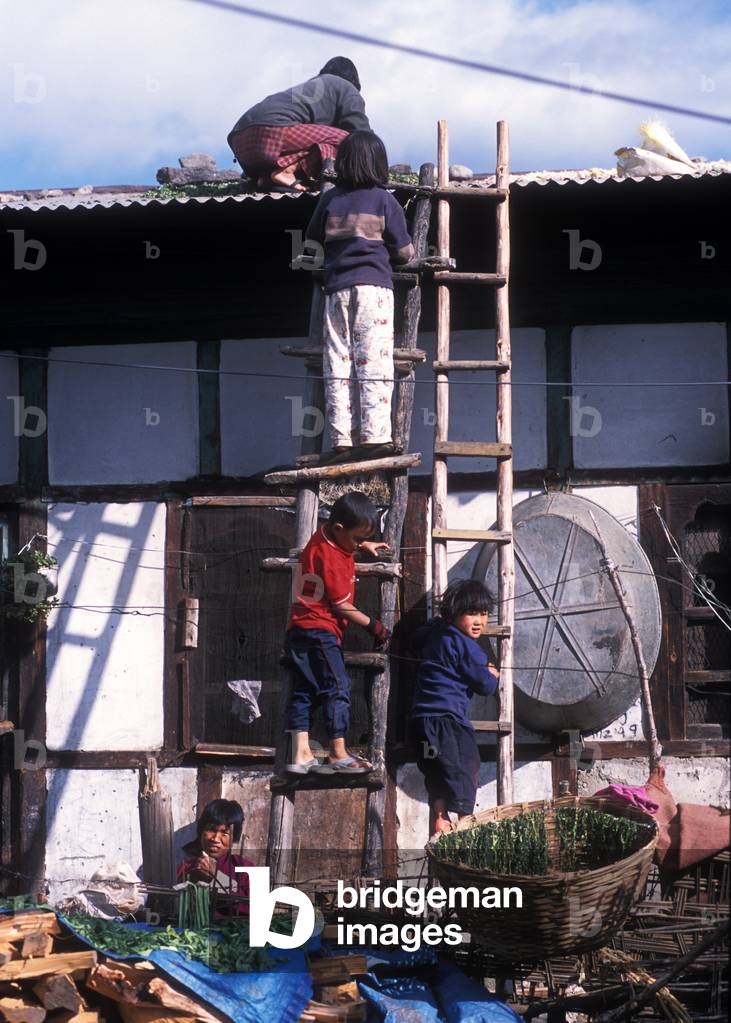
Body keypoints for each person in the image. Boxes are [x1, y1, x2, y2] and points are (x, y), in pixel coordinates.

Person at [305, 131, 414, 461]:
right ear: (378, 164)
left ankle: (340, 437)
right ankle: (374, 434)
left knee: (337, 362)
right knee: (373, 360)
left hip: (336, 290)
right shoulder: (384, 200)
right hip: (373, 290)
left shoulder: (330, 200)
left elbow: (313, 240)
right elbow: (405, 252)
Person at [286, 492, 391, 775]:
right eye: (357, 539)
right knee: (338, 686)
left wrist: (361, 543)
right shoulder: (332, 556)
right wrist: (375, 626)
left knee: (305, 690)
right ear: (340, 528)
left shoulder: (321, 537)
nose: (358, 545)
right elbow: (342, 606)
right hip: (319, 630)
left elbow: (344, 542)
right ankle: (337, 752)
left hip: (298, 629)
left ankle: (300, 753)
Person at [409, 580, 500, 837]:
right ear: (453, 613)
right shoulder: (466, 645)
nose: (479, 621)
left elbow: (415, 639)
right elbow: (484, 685)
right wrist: (493, 674)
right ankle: (464, 822)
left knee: (436, 768)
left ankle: (440, 816)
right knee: (465, 764)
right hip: (446, 722)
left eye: (484, 614)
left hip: (420, 724)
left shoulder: (434, 633)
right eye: (471, 613)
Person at [227, 57, 370, 191]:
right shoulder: (347, 88)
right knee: (349, 142)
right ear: (353, 81)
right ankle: (287, 171)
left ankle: (266, 178)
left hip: (241, 144)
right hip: (271, 132)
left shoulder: (312, 87)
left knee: (326, 145)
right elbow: (363, 138)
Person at [177, 799, 253, 916]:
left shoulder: (245, 869)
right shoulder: (185, 868)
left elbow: (256, 909)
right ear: (201, 831)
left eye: (225, 833)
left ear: (234, 837)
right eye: (211, 829)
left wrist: (216, 878)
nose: (215, 839)